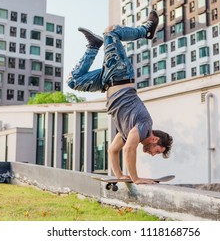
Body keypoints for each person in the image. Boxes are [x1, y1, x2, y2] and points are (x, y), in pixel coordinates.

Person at [67, 10, 173, 184]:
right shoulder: (144, 125)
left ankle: (94, 46)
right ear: (154, 139)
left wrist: (120, 176)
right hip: (120, 74)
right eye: (157, 150)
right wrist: (136, 178)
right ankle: (145, 30)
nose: (153, 154)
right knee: (111, 31)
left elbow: (112, 150)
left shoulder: (128, 132)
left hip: (106, 82)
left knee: (73, 81)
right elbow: (128, 149)